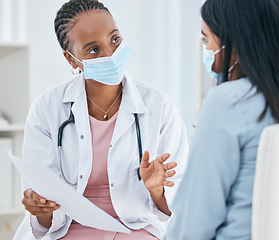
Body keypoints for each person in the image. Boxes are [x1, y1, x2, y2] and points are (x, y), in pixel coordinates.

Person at [13, 0, 189, 239]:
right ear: (71, 59)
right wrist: (41, 209)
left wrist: (157, 191)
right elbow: (45, 215)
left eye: (114, 39)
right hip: (68, 228)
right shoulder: (47, 109)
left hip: (137, 226)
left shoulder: (160, 106)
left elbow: (180, 208)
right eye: (93, 50)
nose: (110, 54)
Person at [165, 0, 279, 239]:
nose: (206, 50)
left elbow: (193, 224)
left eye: (207, 40)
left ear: (235, 45)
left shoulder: (229, 102)